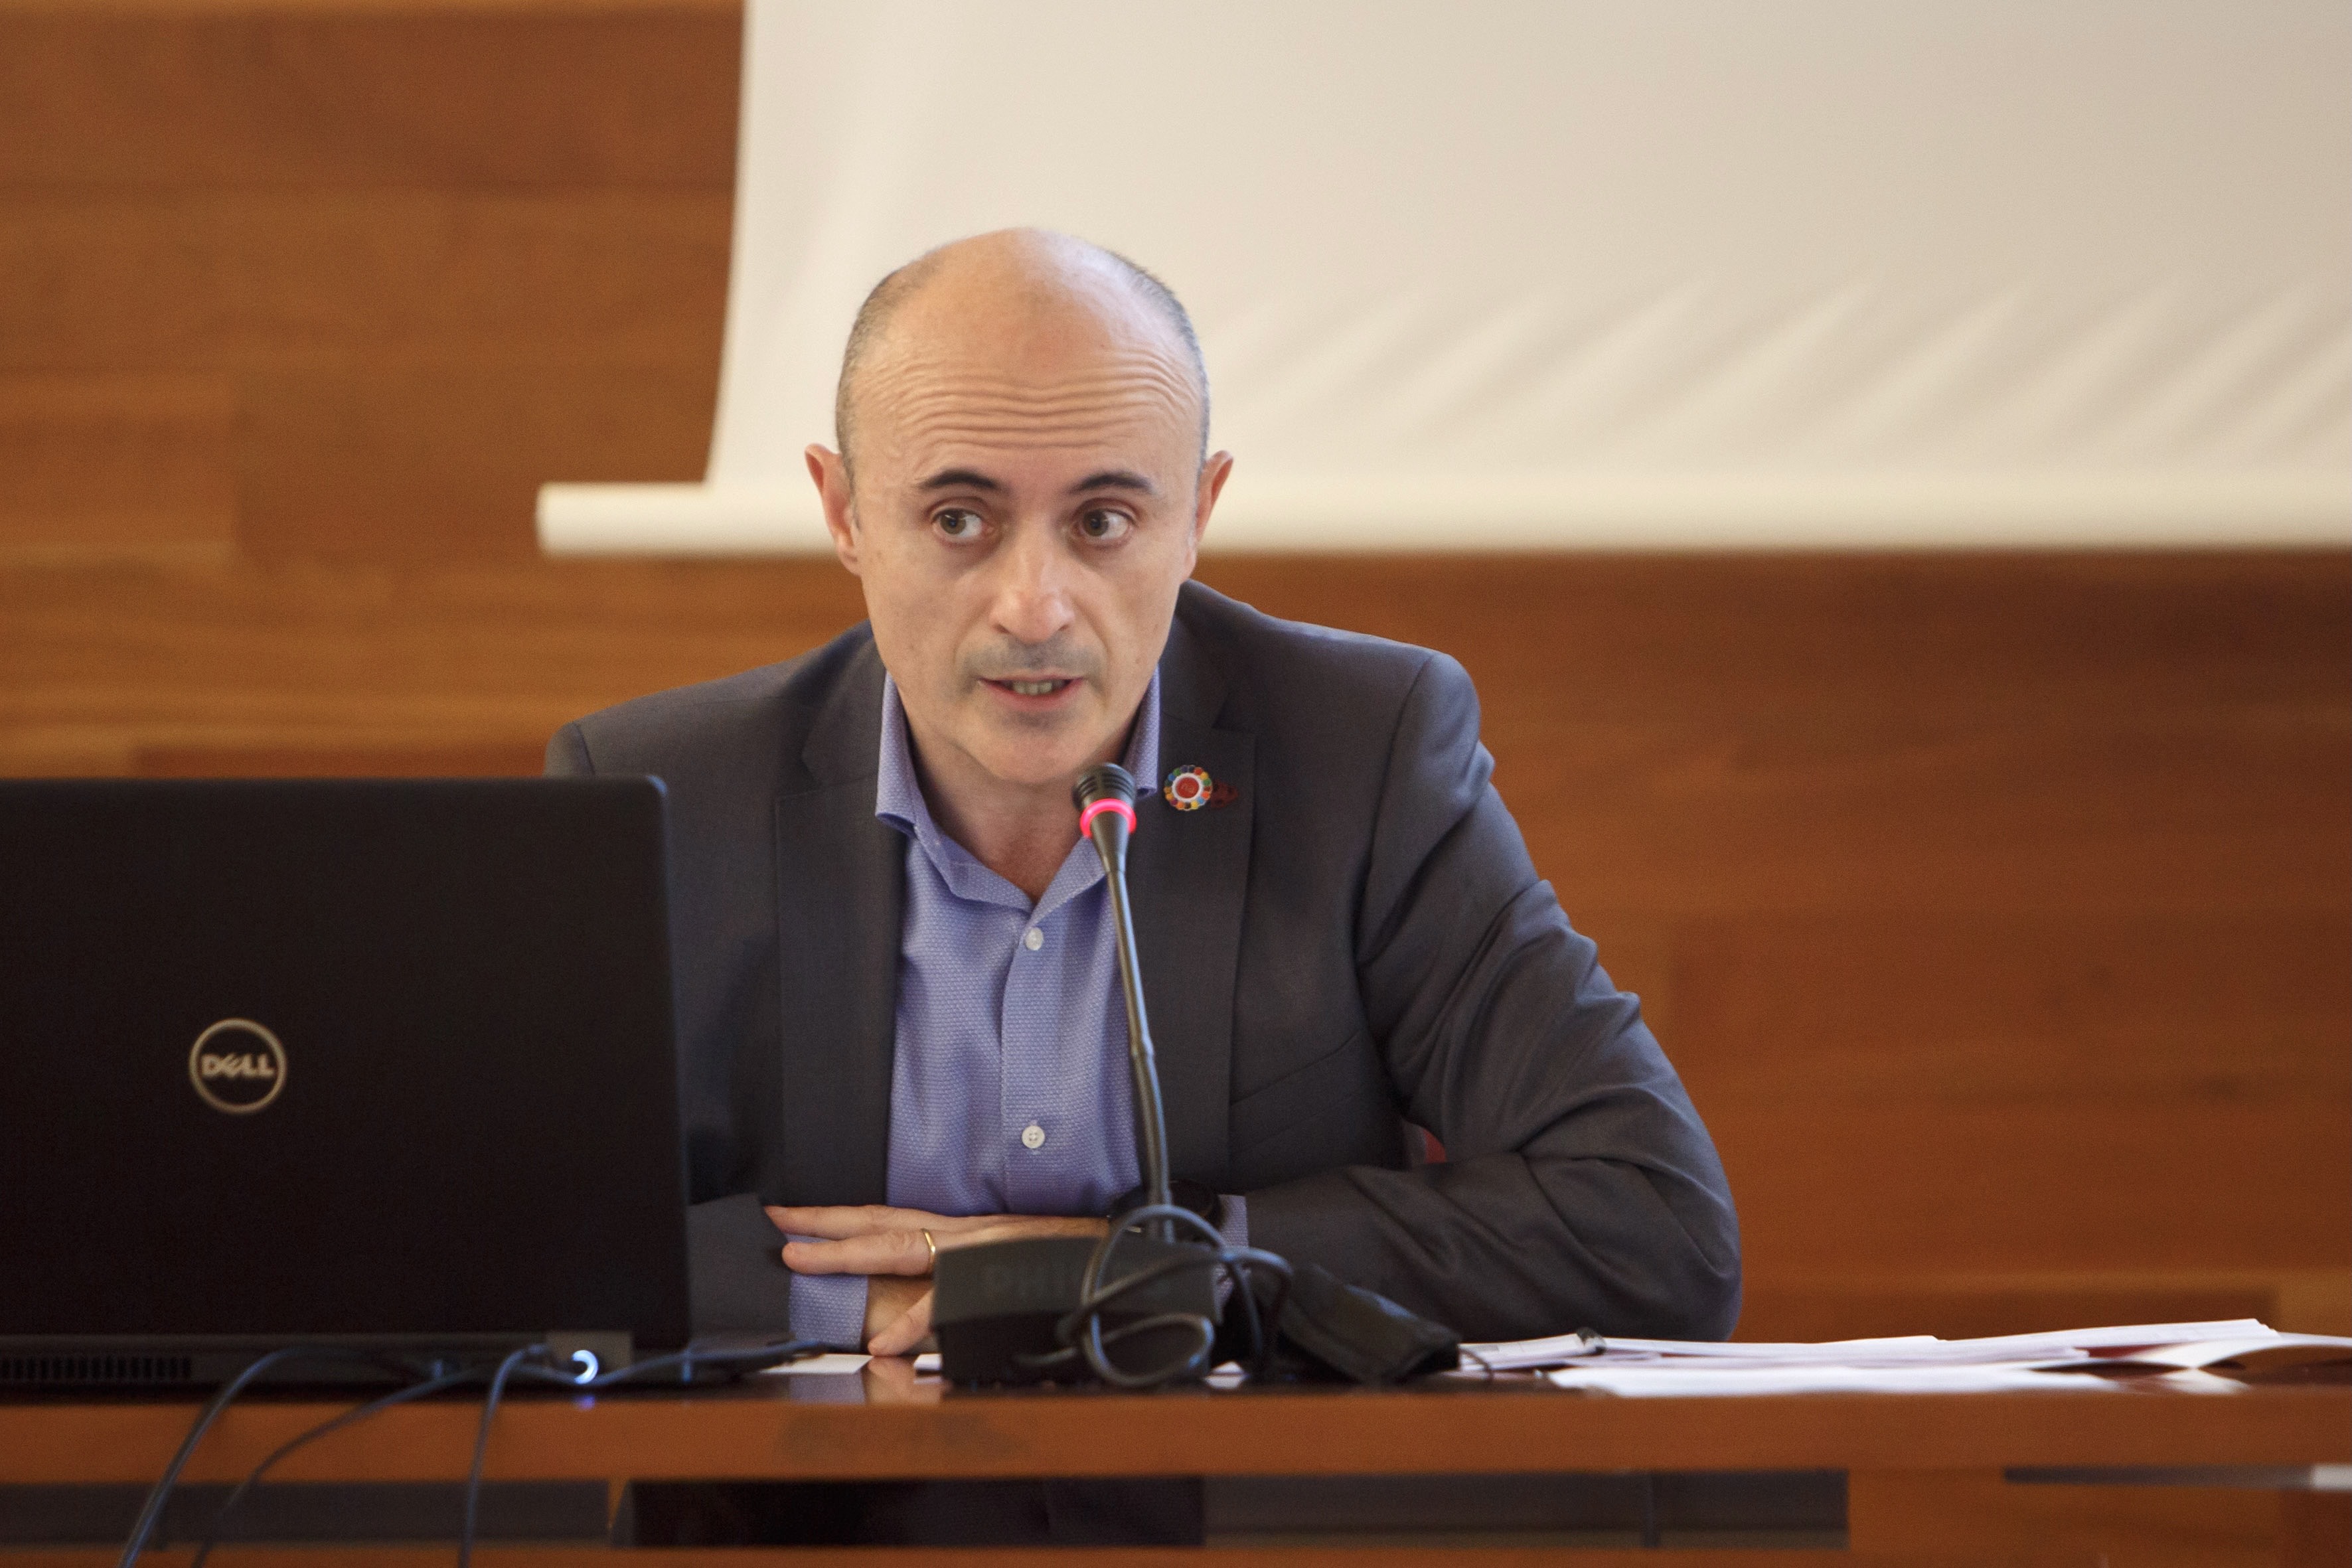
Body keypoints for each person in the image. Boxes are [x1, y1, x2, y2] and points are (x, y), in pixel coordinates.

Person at [547, 229, 1737, 1537]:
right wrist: (839, 1292)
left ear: (1198, 516)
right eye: (958, 519)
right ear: (843, 512)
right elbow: (502, 1252)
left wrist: (1137, 1268)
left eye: (1103, 521)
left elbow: (1654, 1221)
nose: (1035, 605)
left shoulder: (1361, 753)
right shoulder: (665, 792)